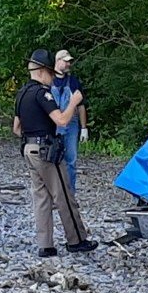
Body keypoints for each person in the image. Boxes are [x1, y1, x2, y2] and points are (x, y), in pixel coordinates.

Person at [14, 50, 95, 257]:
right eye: (50, 75)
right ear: (42, 72)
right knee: (64, 195)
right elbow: (61, 120)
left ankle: (45, 244)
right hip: (45, 151)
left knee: (41, 196)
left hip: (28, 149)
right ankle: (76, 240)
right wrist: (73, 103)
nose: (52, 80)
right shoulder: (43, 94)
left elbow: (16, 128)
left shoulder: (22, 94)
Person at [50, 49, 88, 192]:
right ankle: (55, 193)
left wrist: (84, 128)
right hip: (52, 124)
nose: (68, 64)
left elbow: (81, 105)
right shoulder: (48, 80)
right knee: (52, 158)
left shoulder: (73, 81)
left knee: (71, 159)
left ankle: (70, 193)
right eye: (66, 61)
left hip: (71, 124)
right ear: (58, 61)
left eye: (70, 62)